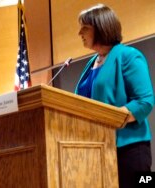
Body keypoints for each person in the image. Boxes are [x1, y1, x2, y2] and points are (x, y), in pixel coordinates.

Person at [75, 4, 154, 188]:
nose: (80, 33)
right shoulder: (92, 63)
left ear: (101, 27)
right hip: (98, 149)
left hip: (129, 149)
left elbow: (144, 101)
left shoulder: (129, 56)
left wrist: (110, 119)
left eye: (85, 28)